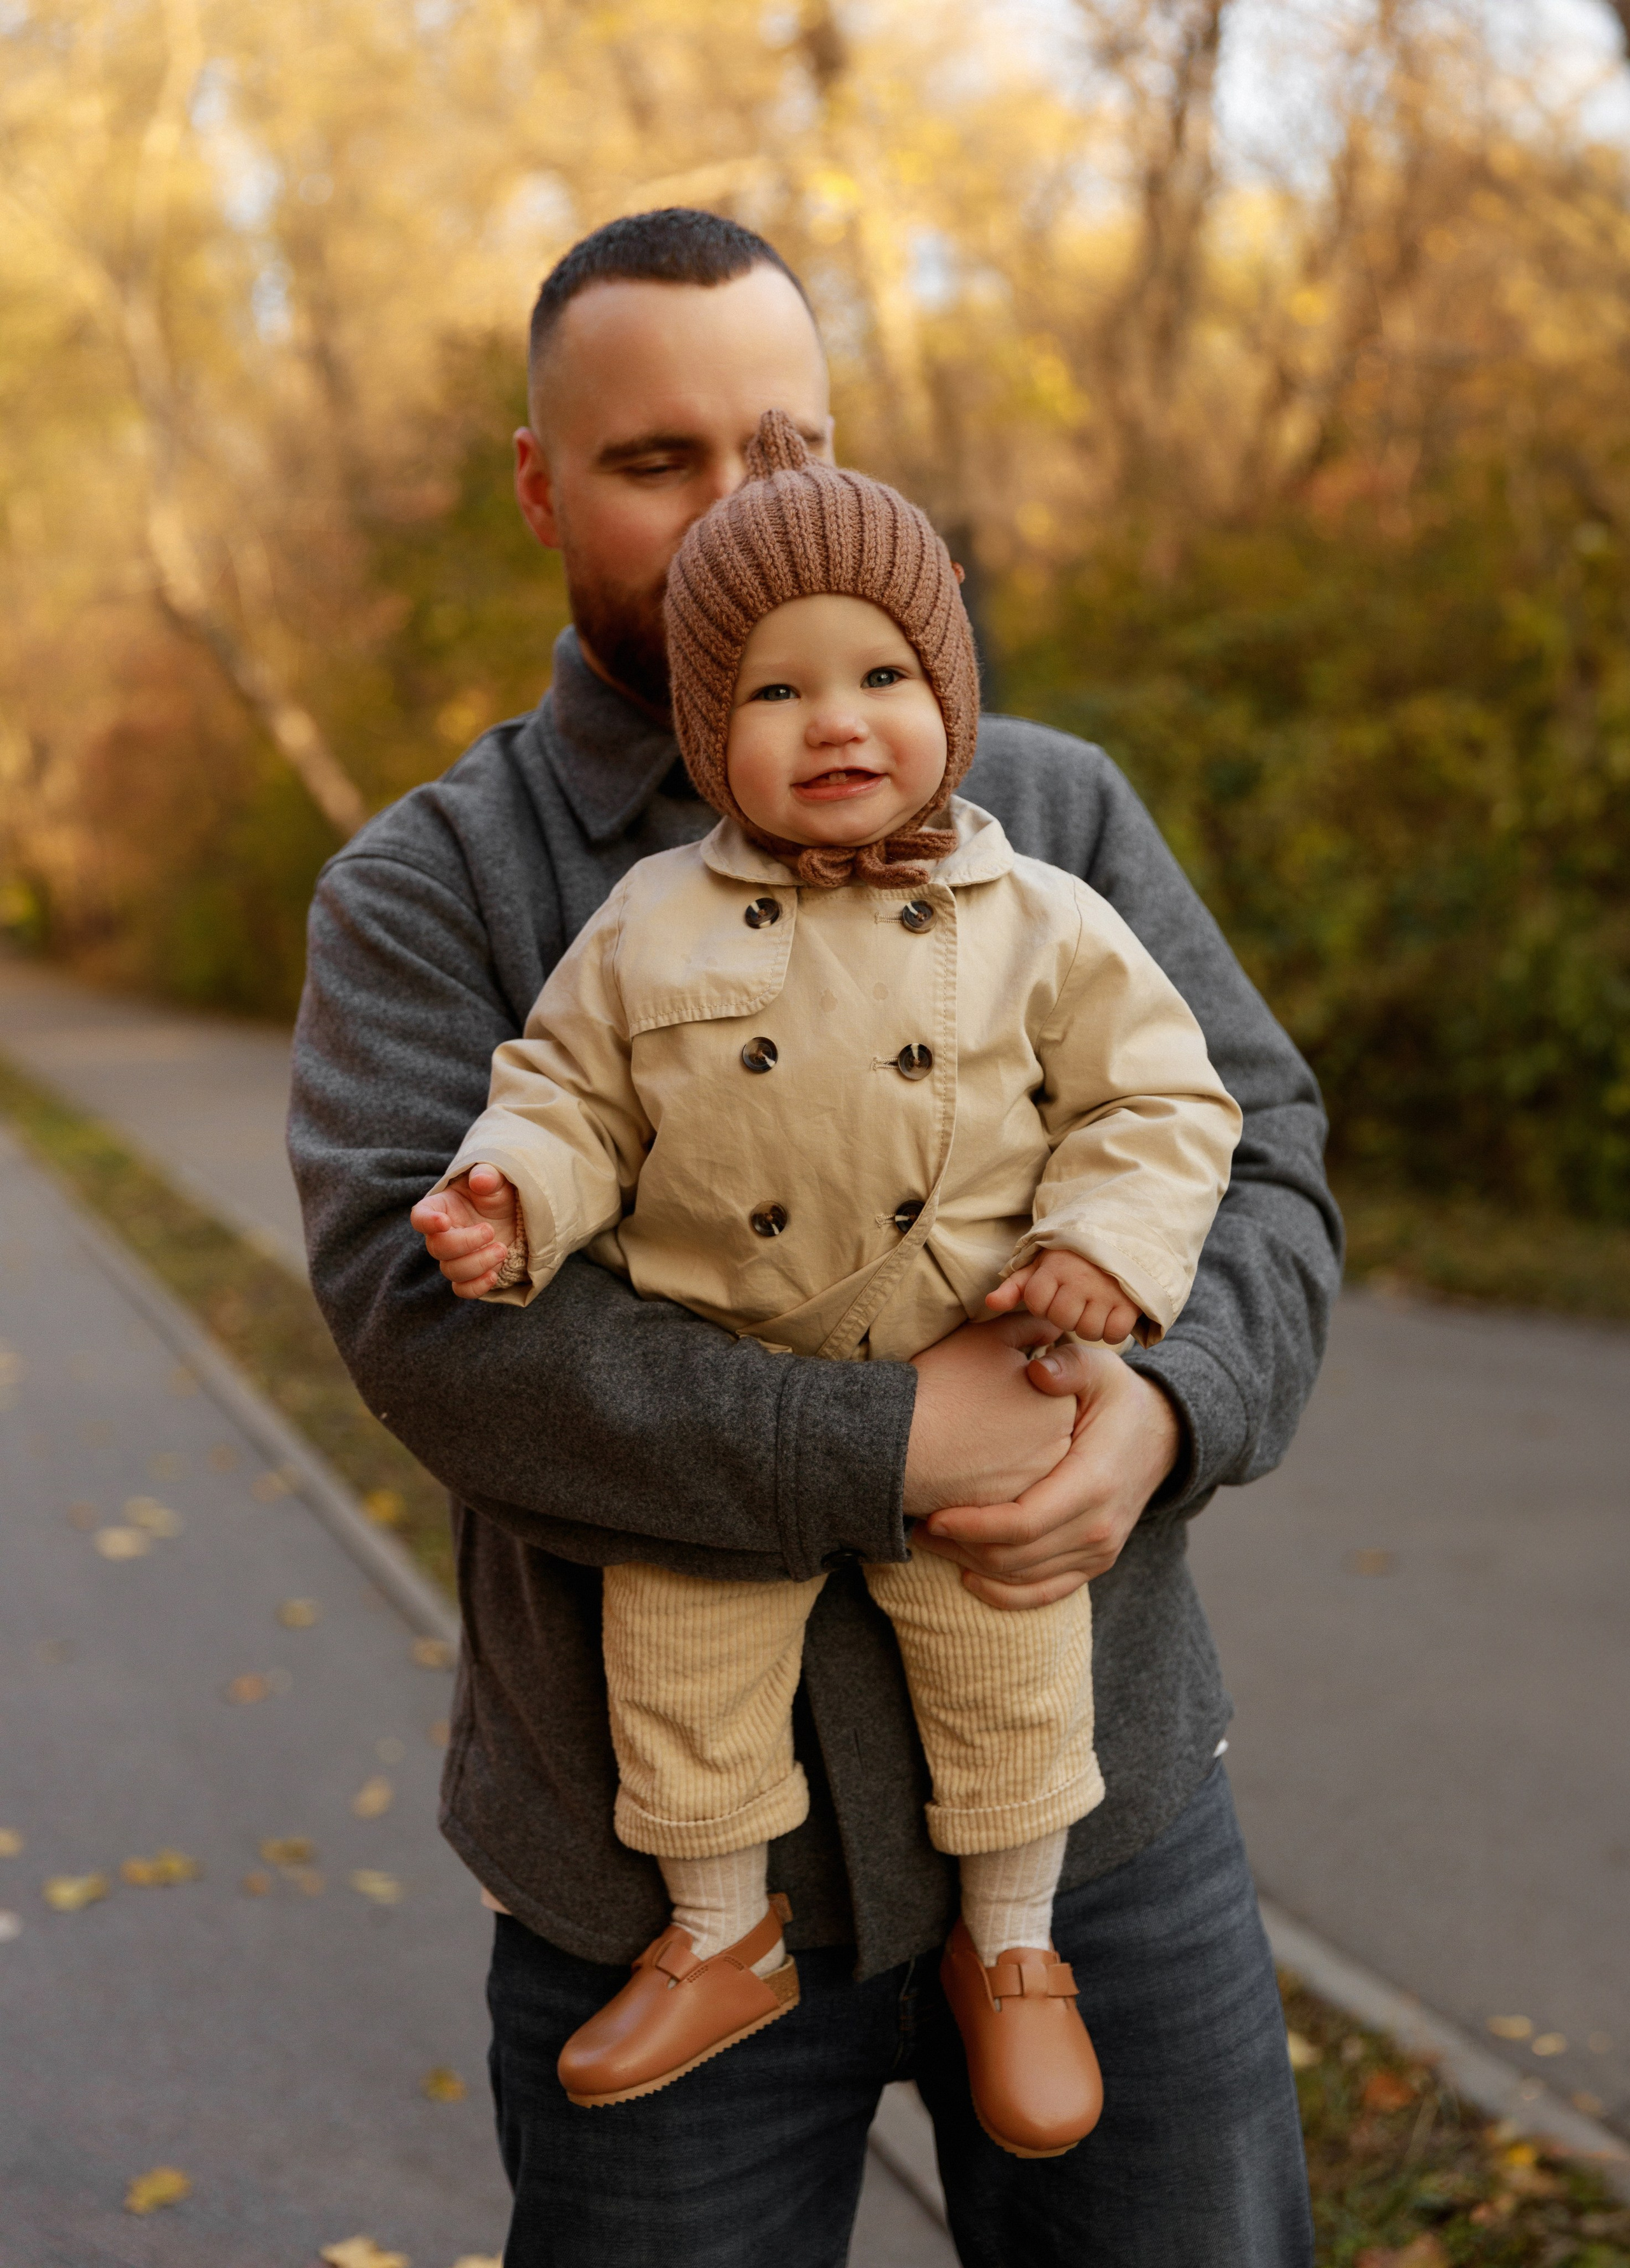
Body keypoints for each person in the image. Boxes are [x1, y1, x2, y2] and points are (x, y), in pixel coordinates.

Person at [289, 206, 1341, 2267]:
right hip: (652, 1862)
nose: (728, 516)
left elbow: (1258, 1148)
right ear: (539, 483)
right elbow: (432, 1329)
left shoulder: (1052, 812)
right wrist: (884, 1445)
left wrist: (1164, 1409)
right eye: (653, 459)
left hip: (1100, 1826)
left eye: (780, 448)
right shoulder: (436, 882)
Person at [409, 409, 1243, 2157]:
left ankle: (1016, 1952)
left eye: (879, 673)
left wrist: (1106, 1249)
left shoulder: (1040, 905)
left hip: (998, 1386)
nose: (837, 721)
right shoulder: (649, 921)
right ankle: (724, 1932)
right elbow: (566, 1090)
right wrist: (513, 1195)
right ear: (712, 735)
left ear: (949, 691)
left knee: (1012, 1678)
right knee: (684, 1682)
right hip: (734, 1405)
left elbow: (1165, 1094)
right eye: (777, 694)